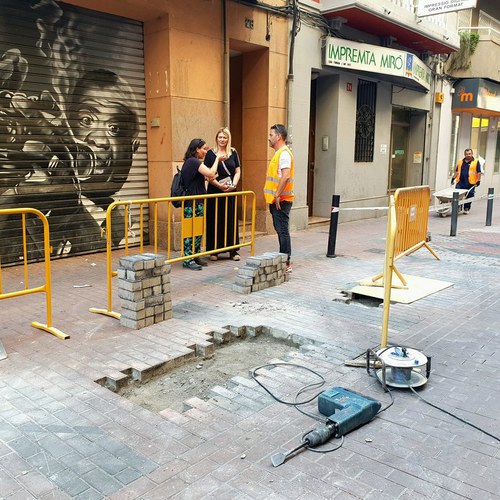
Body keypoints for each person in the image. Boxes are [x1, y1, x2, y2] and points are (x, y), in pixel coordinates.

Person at [179, 138, 220, 270]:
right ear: (197, 149)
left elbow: (210, 176)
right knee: (190, 232)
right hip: (191, 202)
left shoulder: (195, 162)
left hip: (198, 202)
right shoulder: (192, 161)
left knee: (197, 231)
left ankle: (195, 256)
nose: (205, 152)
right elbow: (211, 173)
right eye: (204, 149)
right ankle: (187, 259)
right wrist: (217, 159)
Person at [204, 127, 241, 261]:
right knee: (215, 218)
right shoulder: (210, 154)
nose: (222, 140)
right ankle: (214, 251)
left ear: (228, 139)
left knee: (230, 218)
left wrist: (234, 185)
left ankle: (233, 250)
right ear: (216, 138)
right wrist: (219, 185)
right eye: (220, 137)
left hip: (230, 190)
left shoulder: (233, 152)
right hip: (215, 190)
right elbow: (209, 174)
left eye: (225, 137)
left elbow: (237, 171)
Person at [264, 124, 294, 272]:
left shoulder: (284, 154)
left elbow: (286, 175)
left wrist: (276, 195)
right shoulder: (280, 153)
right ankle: (285, 259)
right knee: (281, 229)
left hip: (281, 200)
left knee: (282, 230)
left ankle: (286, 261)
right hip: (277, 200)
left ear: (279, 137)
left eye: (271, 135)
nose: (269, 138)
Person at [452, 148, 483, 214]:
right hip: (460, 182)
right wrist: (453, 178)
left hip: (471, 183)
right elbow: (457, 171)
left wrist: (478, 180)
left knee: (470, 195)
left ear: (472, 154)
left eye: (469, 154)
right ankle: (458, 207)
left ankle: (467, 208)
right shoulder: (460, 161)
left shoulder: (476, 162)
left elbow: (479, 172)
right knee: (458, 195)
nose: (468, 155)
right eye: (466, 154)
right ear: (464, 154)